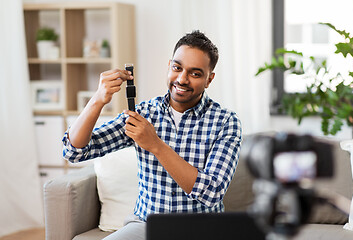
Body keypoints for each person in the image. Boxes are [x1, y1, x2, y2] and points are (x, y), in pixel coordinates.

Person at [62, 30, 242, 240]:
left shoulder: (226, 122)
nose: (182, 79)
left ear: (209, 79)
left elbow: (211, 193)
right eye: (177, 68)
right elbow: (73, 151)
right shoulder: (144, 114)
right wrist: (97, 100)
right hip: (146, 226)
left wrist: (155, 144)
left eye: (195, 73)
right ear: (169, 66)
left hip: (201, 229)